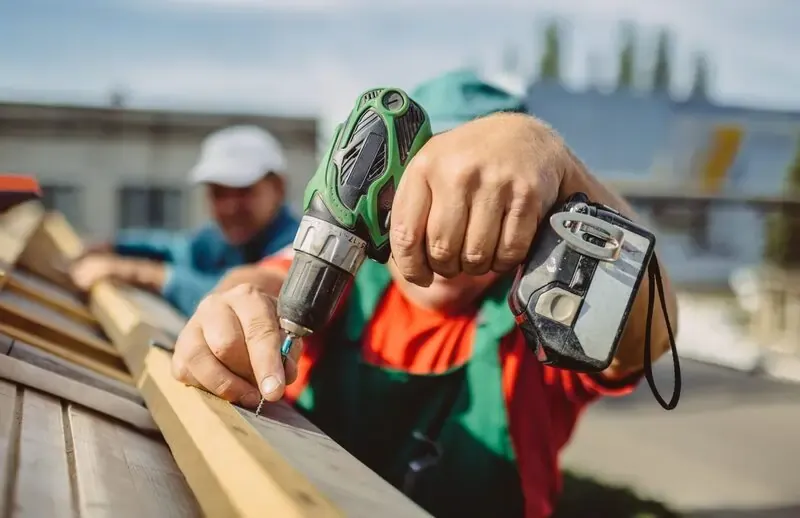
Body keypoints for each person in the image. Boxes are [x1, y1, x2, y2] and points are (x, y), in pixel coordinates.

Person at [170, 70, 679, 518]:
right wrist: (234, 312)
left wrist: (558, 164)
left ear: (534, 209)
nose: (452, 215)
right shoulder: (342, 277)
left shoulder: (550, 313)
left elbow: (651, 335)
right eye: (433, 185)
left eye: (488, 196)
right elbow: (262, 283)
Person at [69, 125, 300, 316]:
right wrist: (114, 245)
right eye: (218, 192)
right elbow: (176, 247)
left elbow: (229, 300)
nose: (230, 207)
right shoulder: (220, 239)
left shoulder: (299, 250)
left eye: (244, 191)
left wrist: (139, 273)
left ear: (278, 188)